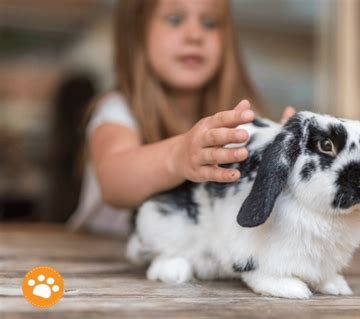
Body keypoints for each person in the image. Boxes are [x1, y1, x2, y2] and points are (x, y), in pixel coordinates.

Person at [68, 0, 296, 236]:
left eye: (209, 23)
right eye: (175, 20)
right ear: (136, 32)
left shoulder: (238, 118)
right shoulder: (117, 110)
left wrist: (281, 158)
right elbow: (113, 181)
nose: (195, 35)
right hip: (100, 257)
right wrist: (178, 156)